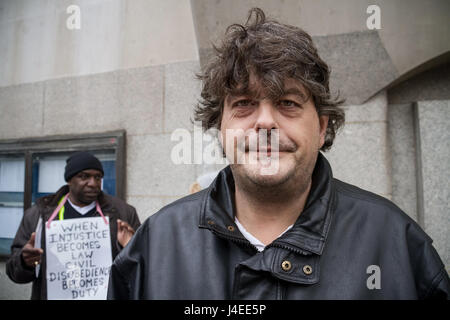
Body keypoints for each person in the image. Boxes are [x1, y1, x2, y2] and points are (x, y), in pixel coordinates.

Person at [107, 8, 449, 299]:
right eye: (244, 104)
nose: (266, 122)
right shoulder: (155, 246)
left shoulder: (397, 244)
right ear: (220, 127)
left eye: (288, 103)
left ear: (320, 128)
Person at [6, 151, 141, 299]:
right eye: (84, 176)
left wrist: (129, 249)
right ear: (69, 180)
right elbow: (14, 272)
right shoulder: (39, 215)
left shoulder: (124, 213)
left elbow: (141, 268)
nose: (93, 183)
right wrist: (25, 262)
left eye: (98, 177)